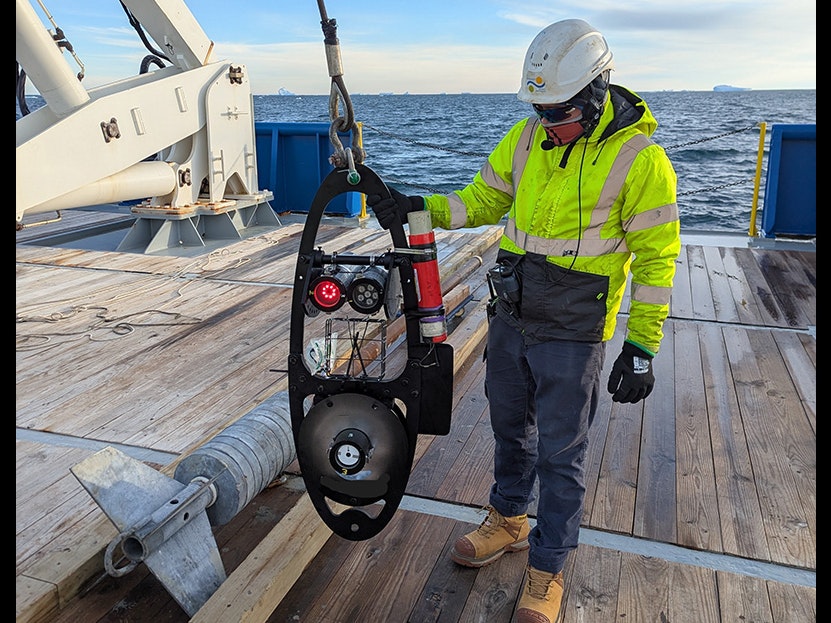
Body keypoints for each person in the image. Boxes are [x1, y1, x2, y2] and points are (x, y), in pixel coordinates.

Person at [367, 18, 680, 623]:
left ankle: (548, 567)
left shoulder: (643, 160)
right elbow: (480, 201)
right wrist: (418, 206)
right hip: (513, 312)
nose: (546, 124)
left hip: (574, 327)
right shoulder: (527, 136)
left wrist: (641, 345)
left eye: (557, 112)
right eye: (538, 110)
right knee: (511, 429)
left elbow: (657, 261)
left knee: (563, 453)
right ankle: (508, 519)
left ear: (595, 95)